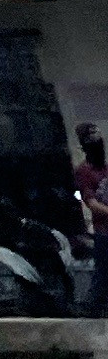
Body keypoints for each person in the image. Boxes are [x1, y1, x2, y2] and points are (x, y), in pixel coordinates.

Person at [75, 127, 108, 317]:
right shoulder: (84, 171)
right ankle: (91, 312)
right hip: (104, 232)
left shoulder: (106, 169)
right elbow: (92, 204)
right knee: (102, 274)